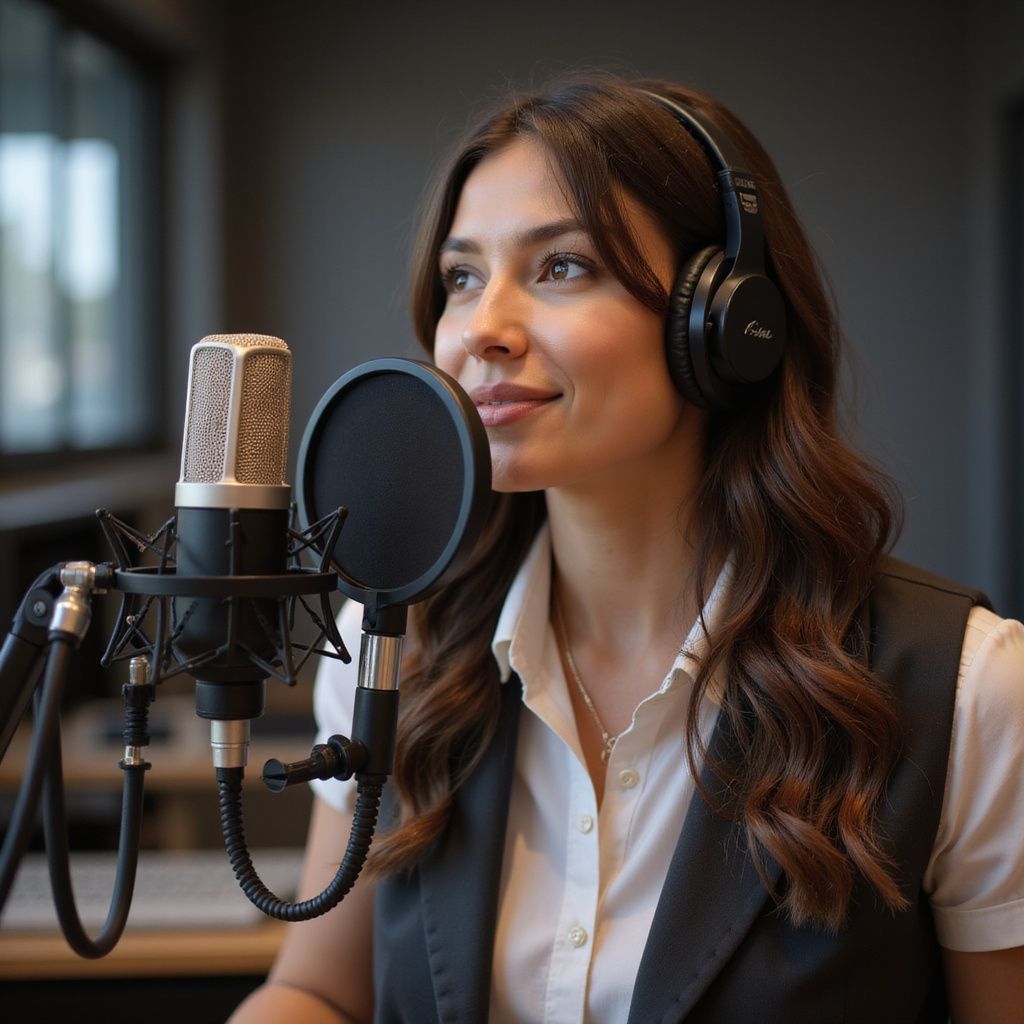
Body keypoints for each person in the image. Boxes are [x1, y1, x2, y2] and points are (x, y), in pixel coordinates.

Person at [230, 74, 1024, 1023]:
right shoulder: (394, 642)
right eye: (462, 277)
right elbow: (318, 990)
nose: (483, 329)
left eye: (561, 266)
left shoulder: (968, 690)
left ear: (727, 321)